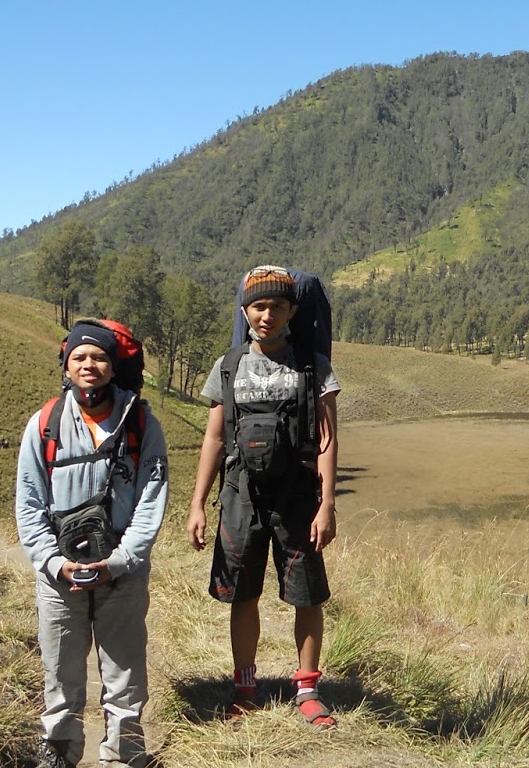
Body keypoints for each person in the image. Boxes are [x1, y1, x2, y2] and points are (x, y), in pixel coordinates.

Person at [187, 266, 341, 726]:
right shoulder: (228, 366)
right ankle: (245, 687)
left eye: (277, 306)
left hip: (298, 496)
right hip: (240, 497)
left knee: (307, 595)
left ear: (293, 311)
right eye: (258, 306)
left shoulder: (314, 368)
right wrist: (197, 503)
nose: (267, 315)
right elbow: (214, 439)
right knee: (242, 594)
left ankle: (308, 689)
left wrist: (327, 503)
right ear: (245, 311)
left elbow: (329, 439)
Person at [15, 321, 169, 768]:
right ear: (66, 365)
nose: (89, 365)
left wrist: (119, 562)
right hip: (59, 576)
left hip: (122, 574)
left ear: (112, 365)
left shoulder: (140, 424)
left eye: (99, 357)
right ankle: (60, 755)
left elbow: (150, 501)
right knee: (60, 677)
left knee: (124, 676)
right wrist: (52, 562)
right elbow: (28, 503)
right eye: (79, 357)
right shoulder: (44, 425)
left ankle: (124, 757)